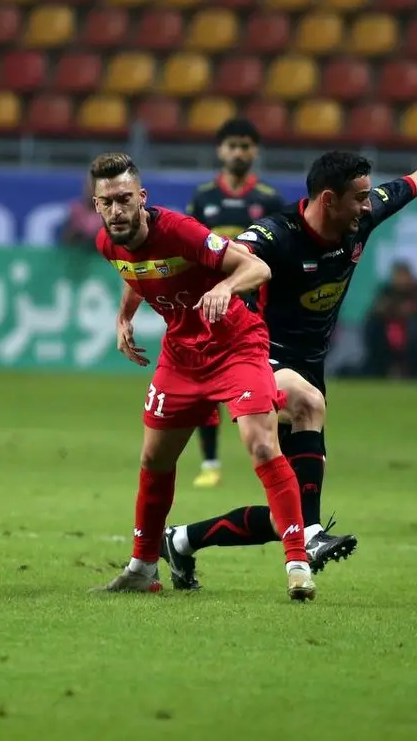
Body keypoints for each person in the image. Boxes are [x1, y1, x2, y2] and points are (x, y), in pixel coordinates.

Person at [156, 86, 417, 590]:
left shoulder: (362, 217)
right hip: (255, 355)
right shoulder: (276, 235)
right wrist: (223, 287)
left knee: (286, 512)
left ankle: (181, 540)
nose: (367, 204)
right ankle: (313, 535)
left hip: (309, 362)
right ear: (328, 200)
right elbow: (227, 257)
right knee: (308, 407)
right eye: (359, 197)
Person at [89, 152, 315, 600]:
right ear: (96, 205)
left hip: (236, 345)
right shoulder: (107, 243)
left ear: (141, 197)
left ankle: (298, 565)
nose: (116, 210)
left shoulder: (181, 231)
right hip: (182, 355)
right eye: (107, 202)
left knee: (262, 444)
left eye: (124, 198)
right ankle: (142, 568)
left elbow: (258, 268)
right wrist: (123, 317)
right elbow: (137, 272)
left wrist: (224, 286)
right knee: (154, 459)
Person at [186, 118, 288, 489]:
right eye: (232, 146)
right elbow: (188, 250)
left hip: (256, 309)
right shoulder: (203, 198)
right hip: (210, 307)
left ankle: (274, 452)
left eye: (245, 146)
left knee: (267, 384)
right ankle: (210, 463)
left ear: (255, 150)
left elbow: (279, 256)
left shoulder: (269, 200)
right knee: (203, 386)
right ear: (220, 150)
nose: (239, 153)